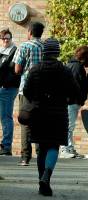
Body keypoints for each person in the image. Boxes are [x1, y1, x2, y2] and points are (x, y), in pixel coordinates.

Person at [23, 38, 79, 196]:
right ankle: (47, 175)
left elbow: (26, 91)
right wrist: (67, 99)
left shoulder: (35, 70)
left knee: (41, 148)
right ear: (57, 53)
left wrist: (36, 98)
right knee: (54, 145)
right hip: (59, 113)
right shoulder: (65, 70)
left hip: (39, 113)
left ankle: (42, 183)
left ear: (44, 52)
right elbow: (75, 91)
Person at [13, 22, 44, 166]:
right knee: (39, 121)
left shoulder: (24, 46)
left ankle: (25, 156)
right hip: (43, 90)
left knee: (25, 121)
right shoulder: (45, 47)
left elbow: (17, 69)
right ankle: (40, 154)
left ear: (30, 32)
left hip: (26, 89)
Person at [59, 45, 88, 158]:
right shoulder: (77, 67)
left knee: (70, 125)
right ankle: (65, 149)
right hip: (71, 101)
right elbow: (77, 85)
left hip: (70, 100)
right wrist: (80, 99)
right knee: (69, 125)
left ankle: (70, 148)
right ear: (85, 56)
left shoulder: (72, 65)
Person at [0, 29, 20, 156]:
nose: (6, 40)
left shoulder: (14, 51)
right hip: (2, 87)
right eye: (3, 38)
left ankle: (6, 146)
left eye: (8, 38)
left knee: (6, 116)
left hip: (8, 88)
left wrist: (4, 84)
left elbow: (14, 71)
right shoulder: (1, 51)